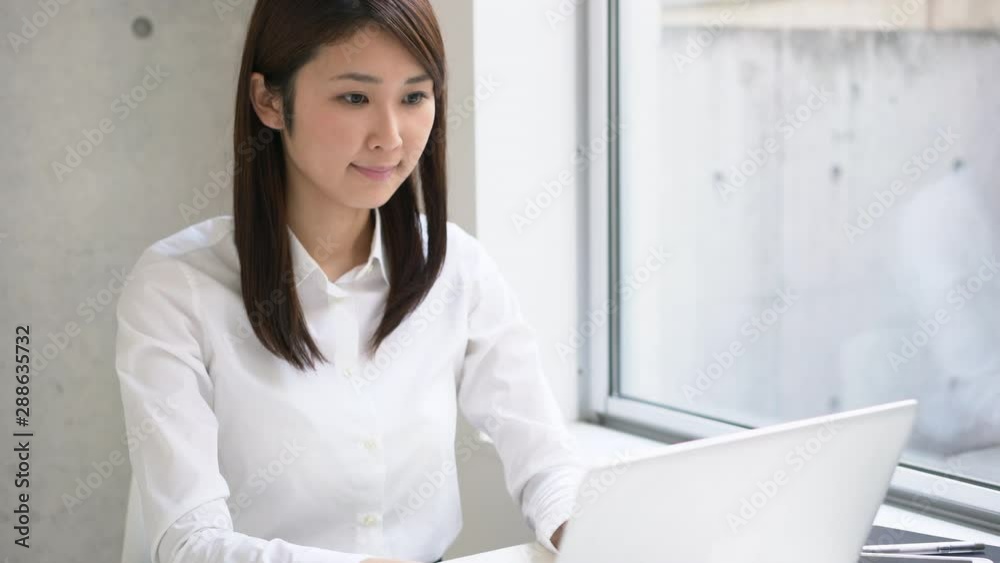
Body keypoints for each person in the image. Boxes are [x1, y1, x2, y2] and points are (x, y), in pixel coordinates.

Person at [113, 1, 585, 562]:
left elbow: (545, 456)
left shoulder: (458, 265)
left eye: (413, 97)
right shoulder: (177, 288)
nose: (390, 138)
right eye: (354, 97)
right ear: (268, 100)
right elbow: (190, 544)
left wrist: (580, 532)